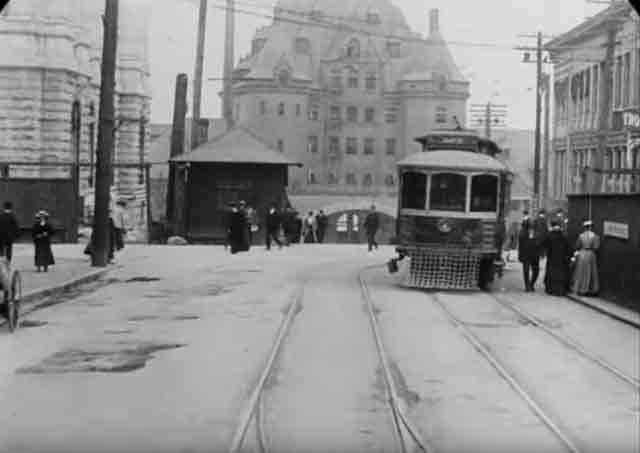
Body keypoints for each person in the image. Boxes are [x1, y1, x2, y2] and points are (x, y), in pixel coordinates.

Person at [542, 219, 572, 296]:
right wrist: (568, 256)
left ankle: (550, 289)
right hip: (562, 258)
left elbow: (544, 244)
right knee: (561, 274)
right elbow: (569, 247)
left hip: (552, 257)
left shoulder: (549, 235)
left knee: (551, 273)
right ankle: (560, 290)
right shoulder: (563, 236)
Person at [572, 220, 600, 296]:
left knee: (580, 272)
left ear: (584, 227)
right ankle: (591, 289)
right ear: (591, 227)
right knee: (591, 272)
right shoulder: (595, 236)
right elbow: (596, 247)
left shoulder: (581, 235)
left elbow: (577, 245)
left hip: (582, 253)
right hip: (591, 254)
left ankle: (580, 288)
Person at [518, 218, 541, 292]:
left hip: (534, 254)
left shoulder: (537, 234)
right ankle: (528, 285)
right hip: (527, 255)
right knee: (526, 271)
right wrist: (520, 256)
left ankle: (531, 284)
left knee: (535, 270)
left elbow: (539, 243)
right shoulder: (522, 234)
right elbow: (520, 246)